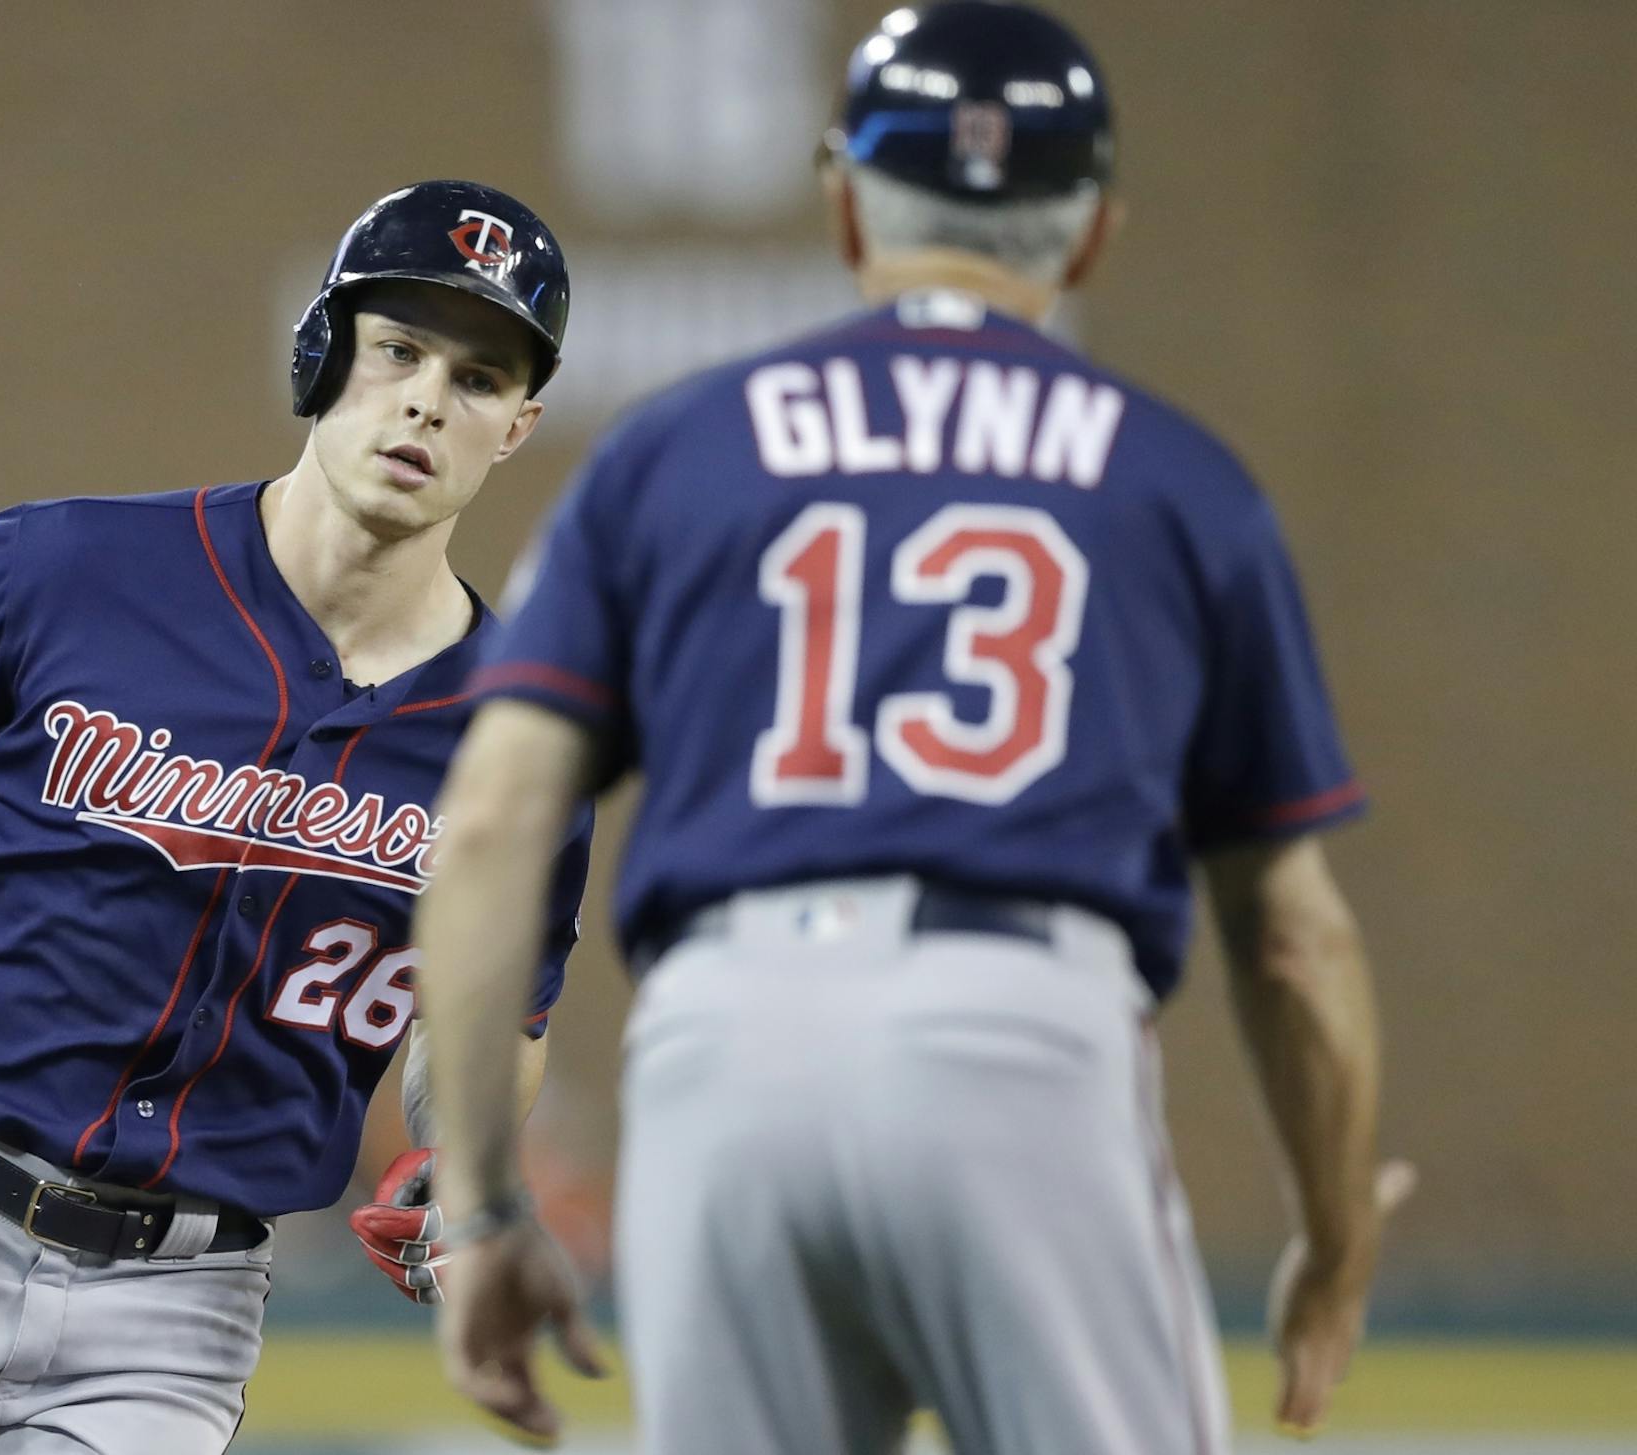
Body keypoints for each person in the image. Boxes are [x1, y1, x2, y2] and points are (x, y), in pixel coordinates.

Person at [409, 6, 1412, 1452]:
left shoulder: (672, 448)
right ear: (1090, 235)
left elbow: (492, 821)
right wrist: (1333, 1231)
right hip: (1017, 1032)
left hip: (722, 1046)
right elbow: (1293, 935)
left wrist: (485, 1204)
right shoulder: (1177, 478)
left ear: (845, 205)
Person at [0, 179, 590, 1455]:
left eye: (480, 377)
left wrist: (475, 1159)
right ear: (323, 355)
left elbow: (493, 1013)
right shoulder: (69, 572)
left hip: (176, 1311)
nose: (429, 397)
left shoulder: (517, 739)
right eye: (397, 350)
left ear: (519, 425)